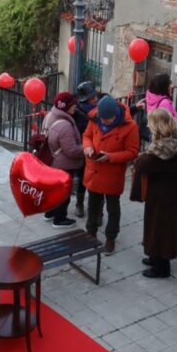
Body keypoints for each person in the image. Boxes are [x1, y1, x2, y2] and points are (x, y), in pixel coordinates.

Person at [134, 109, 177, 279]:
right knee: (163, 226)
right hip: (172, 191)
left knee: (160, 228)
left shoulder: (158, 152)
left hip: (161, 194)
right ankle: (155, 257)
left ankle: (161, 267)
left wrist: (142, 156)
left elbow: (142, 164)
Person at [82, 96, 140, 253]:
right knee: (93, 205)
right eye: (103, 118)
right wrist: (87, 148)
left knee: (113, 208)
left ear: (116, 114)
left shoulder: (130, 127)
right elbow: (87, 136)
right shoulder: (95, 118)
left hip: (112, 173)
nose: (105, 121)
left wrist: (111, 157)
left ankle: (110, 237)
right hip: (94, 170)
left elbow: (133, 152)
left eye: (109, 119)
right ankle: (91, 233)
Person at [42, 92, 83, 228]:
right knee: (64, 192)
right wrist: (87, 148)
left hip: (52, 160)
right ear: (65, 107)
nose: (75, 107)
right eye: (72, 105)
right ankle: (60, 219)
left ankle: (50, 213)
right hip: (63, 164)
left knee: (54, 189)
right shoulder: (65, 125)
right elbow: (71, 150)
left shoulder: (49, 116)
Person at [72, 81, 101, 218]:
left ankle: (98, 210)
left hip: (100, 148)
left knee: (99, 180)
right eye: (91, 97)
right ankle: (79, 203)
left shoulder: (101, 106)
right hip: (85, 149)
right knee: (83, 177)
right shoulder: (77, 111)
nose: (95, 99)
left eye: (94, 96)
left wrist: (133, 108)